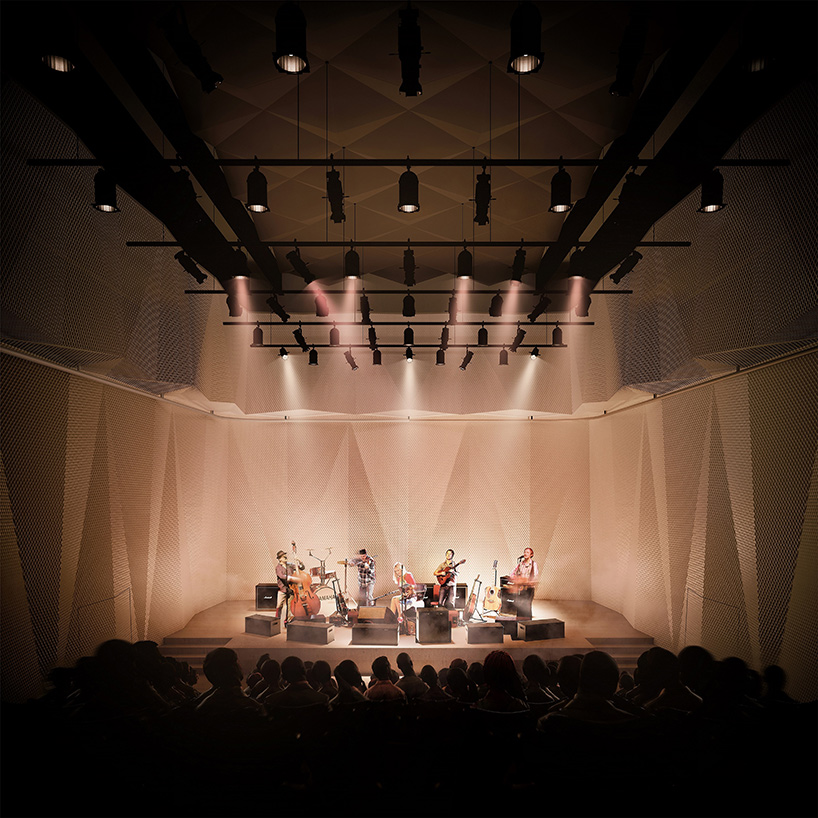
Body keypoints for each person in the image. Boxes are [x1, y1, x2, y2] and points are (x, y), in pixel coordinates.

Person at [274, 548, 300, 623]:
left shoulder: (290, 565)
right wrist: (292, 578)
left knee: (290, 606)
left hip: (291, 589)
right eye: (283, 556)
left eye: (285, 555)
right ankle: (276, 620)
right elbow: (282, 576)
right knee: (279, 605)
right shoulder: (278, 568)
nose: (285, 556)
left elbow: (300, 568)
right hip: (282, 589)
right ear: (279, 559)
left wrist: (299, 561)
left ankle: (287, 621)